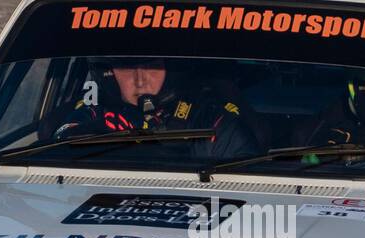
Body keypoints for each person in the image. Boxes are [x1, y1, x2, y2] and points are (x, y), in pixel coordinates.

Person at [50, 57, 258, 160]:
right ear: (110, 73)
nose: (140, 80)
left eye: (151, 65)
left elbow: (247, 186)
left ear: (171, 68)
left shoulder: (211, 120)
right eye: (127, 66)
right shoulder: (94, 113)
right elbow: (60, 149)